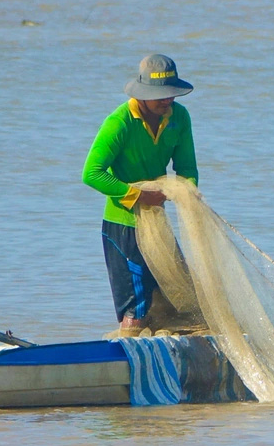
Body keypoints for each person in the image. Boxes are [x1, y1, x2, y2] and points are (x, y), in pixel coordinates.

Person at [82, 54, 198, 336]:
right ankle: (129, 354)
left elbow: (187, 168)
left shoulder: (179, 117)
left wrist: (186, 191)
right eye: (160, 95)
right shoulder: (120, 122)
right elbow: (91, 173)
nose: (167, 100)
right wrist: (137, 196)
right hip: (123, 227)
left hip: (157, 226)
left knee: (173, 299)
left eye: (171, 94)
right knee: (136, 309)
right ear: (142, 94)